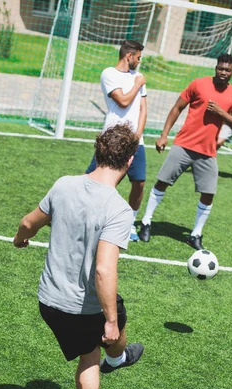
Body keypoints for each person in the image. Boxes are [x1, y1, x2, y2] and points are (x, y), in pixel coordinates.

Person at [13, 123, 144, 389]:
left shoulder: (63, 185)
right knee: (105, 334)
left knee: (89, 350)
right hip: (82, 308)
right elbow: (104, 269)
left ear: (97, 153)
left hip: (49, 303)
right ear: (129, 162)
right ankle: (117, 359)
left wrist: (21, 239)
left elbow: (29, 222)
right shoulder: (118, 209)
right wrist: (111, 323)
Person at [138, 53, 232, 251]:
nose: (223, 72)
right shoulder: (198, 84)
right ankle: (146, 222)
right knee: (162, 182)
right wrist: (164, 135)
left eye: (227, 70)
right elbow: (177, 108)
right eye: (220, 68)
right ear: (216, 68)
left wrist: (221, 112)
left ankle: (195, 234)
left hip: (208, 152)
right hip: (184, 145)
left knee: (208, 193)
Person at [86, 39, 147, 242]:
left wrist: (137, 136)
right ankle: (80, 212)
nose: (139, 61)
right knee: (94, 178)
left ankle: (129, 223)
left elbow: (142, 109)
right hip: (112, 138)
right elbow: (122, 101)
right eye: (138, 57)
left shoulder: (138, 76)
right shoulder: (109, 74)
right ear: (129, 56)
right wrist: (137, 84)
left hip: (136, 140)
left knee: (139, 182)